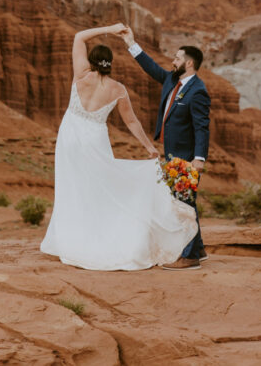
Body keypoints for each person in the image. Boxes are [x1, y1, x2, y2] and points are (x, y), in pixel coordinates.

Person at [39, 24, 198, 271]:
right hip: (95, 139)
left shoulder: (80, 75)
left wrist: (110, 29)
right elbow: (132, 122)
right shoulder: (118, 89)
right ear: (110, 63)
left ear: (91, 61)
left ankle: (72, 239)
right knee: (99, 187)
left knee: (72, 186)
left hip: (69, 136)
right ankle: (101, 236)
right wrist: (149, 147)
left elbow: (79, 36)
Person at [119, 26, 209, 270]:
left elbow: (202, 127)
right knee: (183, 200)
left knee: (184, 203)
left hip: (187, 156)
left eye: (177, 58)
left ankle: (189, 257)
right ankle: (197, 249)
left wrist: (199, 158)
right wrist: (131, 43)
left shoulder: (198, 91)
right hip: (172, 153)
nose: (173, 61)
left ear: (189, 63)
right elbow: (152, 68)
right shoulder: (172, 80)